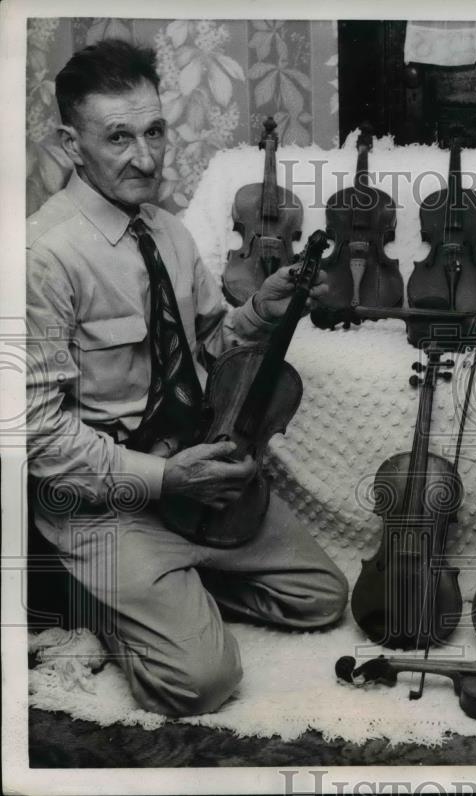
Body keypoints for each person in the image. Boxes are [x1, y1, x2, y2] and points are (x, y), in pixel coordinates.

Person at [26, 39, 348, 717]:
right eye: (118, 137)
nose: (146, 158)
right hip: (107, 502)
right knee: (202, 682)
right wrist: (166, 479)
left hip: (196, 475)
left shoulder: (167, 231)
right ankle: (109, 597)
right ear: (69, 141)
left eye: (154, 131)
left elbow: (210, 341)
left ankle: (166, 588)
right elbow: (38, 436)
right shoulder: (41, 257)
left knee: (321, 597)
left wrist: (262, 309)